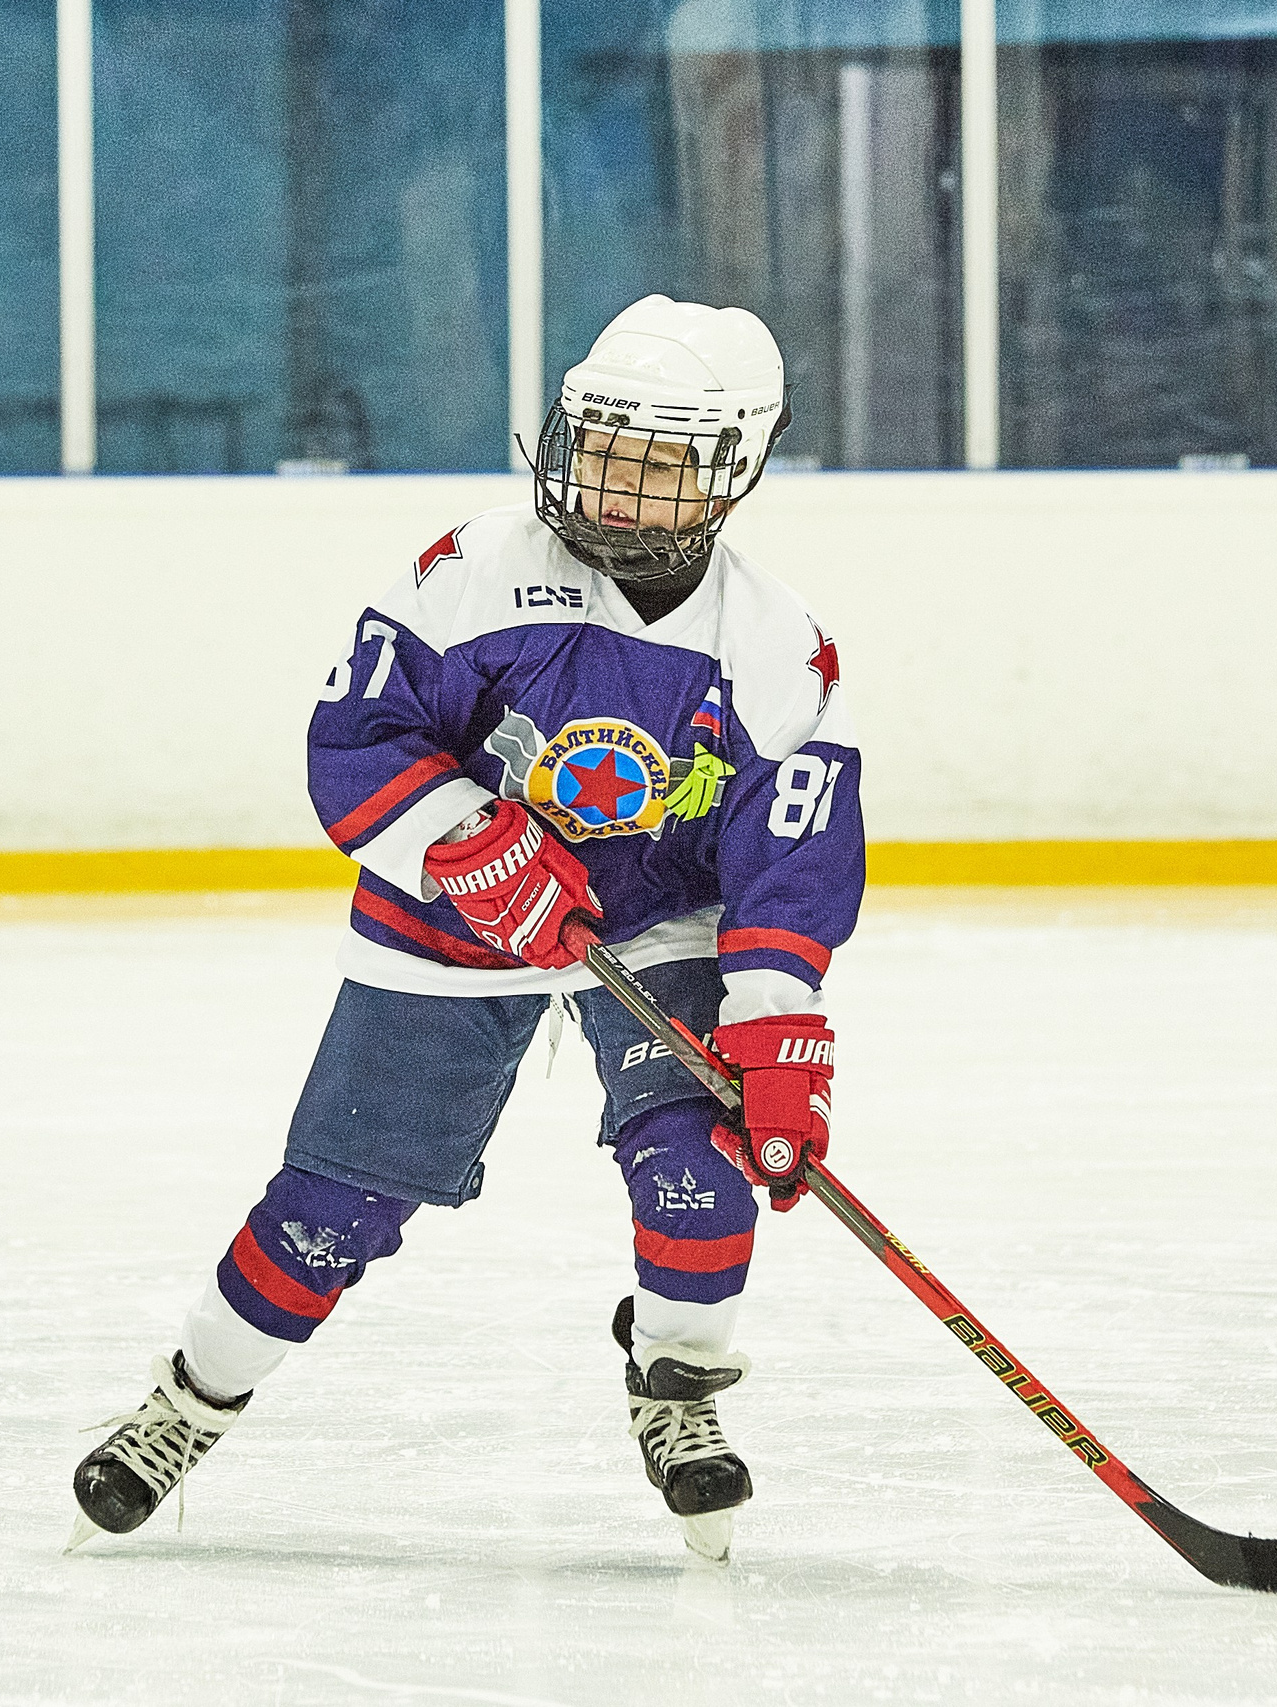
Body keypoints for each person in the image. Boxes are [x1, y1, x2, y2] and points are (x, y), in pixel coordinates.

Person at [67, 295, 863, 1564]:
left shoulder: (775, 647)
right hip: (445, 921)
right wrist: (457, 841)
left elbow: (791, 858)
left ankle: (676, 1386)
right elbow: (358, 735)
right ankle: (189, 1401)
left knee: (703, 1170)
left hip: (653, 925)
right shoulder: (476, 571)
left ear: (734, 471)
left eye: (657, 463)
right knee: (333, 1202)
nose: (612, 480)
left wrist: (776, 1028)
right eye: (601, 444)